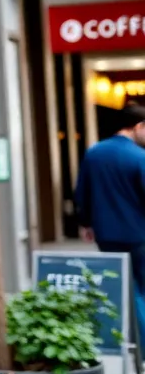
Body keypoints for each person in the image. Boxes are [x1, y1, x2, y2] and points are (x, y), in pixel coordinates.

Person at [75, 101, 145, 342]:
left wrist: (86, 224)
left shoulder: (94, 152)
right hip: (139, 236)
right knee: (139, 291)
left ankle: (121, 339)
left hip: (106, 235)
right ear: (138, 126)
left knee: (120, 287)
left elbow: (82, 192)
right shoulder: (139, 156)